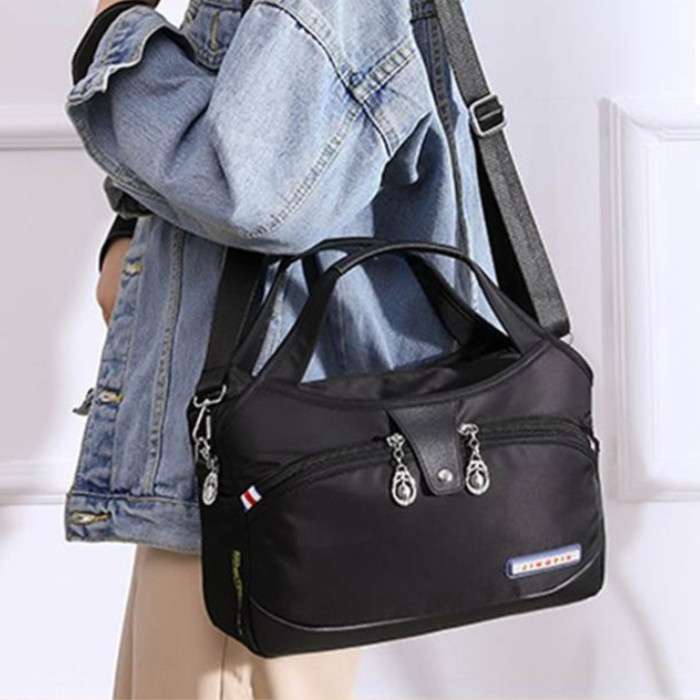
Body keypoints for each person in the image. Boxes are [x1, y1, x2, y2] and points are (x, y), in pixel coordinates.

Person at [66, 0, 500, 696]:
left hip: (261, 488)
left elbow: (256, 190)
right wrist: (128, 231)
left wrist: (117, 23)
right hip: (246, 469)